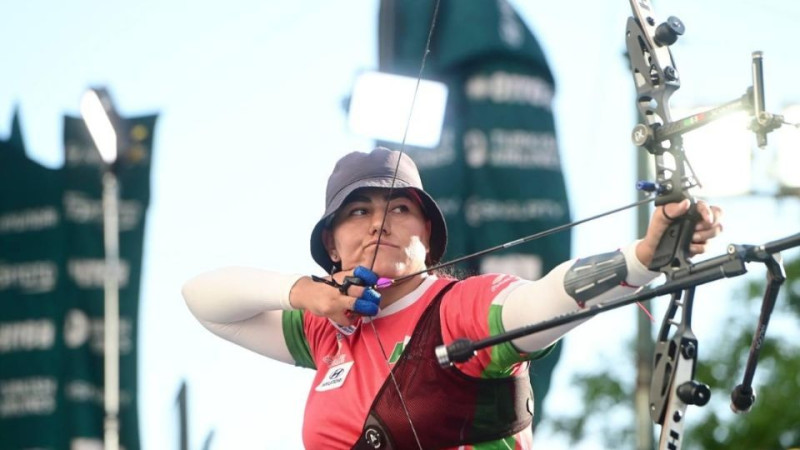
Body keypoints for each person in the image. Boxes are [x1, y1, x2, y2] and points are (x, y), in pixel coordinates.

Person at [182, 147, 723, 449]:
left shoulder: (459, 306)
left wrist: (643, 258)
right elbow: (202, 299)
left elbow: (542, 302)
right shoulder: (325, 332)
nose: (378, 224)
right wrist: (302, 292)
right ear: (332, 244)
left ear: (428, 236)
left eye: (399, 209)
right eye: (358, 211)